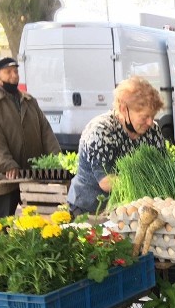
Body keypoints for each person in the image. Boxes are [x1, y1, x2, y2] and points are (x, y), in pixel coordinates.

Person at [0, 56, 60, 219]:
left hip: (33, 173)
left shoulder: (29, 100)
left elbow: (46, 132)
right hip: (6, 175)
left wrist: (57, 160)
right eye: (8, 72)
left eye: (15, 71)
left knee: (42, 222)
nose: (14, 75)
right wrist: (7, 164)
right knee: (2, 226)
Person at [67, 77, 166, 216]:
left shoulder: (153, 132)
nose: (150, 122)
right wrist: (147, 182)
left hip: (131, 210)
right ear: (123, 109)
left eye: (153, 116)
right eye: (144, 117)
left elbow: (163, 169)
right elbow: (107, 181)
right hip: (90, 210)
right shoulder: (101, 130)